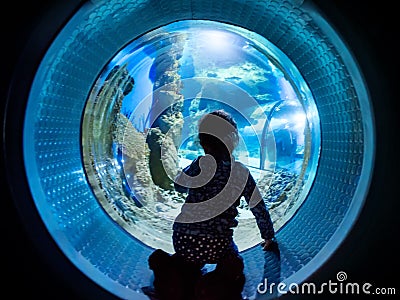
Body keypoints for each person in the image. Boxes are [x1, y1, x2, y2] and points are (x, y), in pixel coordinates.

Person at [146, 110, 276, 300]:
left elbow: (179, 185)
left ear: (202, 142)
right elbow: (258, 208)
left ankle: (174, 269)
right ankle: (217, 283)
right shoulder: (241, 172)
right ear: (234, 140)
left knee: (189, 260)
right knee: (234, 261)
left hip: (182, 240)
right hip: (218, 246)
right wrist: (268, 236)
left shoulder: (199, 164)